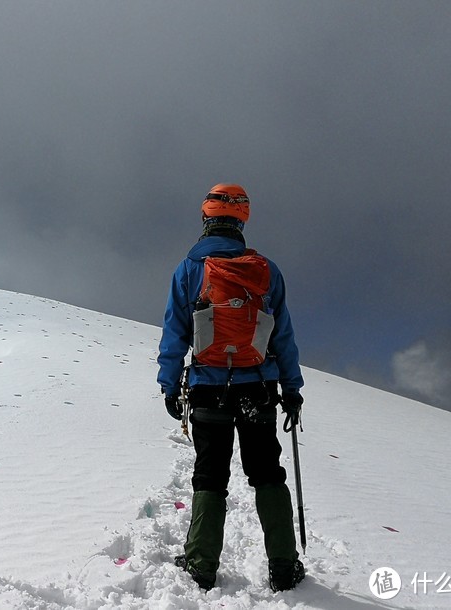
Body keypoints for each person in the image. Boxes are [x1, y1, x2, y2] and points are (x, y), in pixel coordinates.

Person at [157, 183, 306, 592]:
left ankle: (202, 564)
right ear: (242, 220)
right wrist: (291, 388)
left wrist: (169, 384)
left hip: (207, 388)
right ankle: (283, 565)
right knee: (267, 474)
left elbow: (175, 333)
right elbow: (283, 337)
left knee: (210, 476)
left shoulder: (189, 270)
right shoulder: (265, 271)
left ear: (206, 219)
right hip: (258, 387)